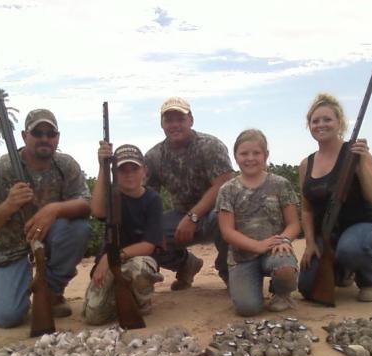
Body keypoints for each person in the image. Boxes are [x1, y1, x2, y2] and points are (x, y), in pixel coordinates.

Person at [0, 108, 91, 328]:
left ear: (57, 137)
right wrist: (8, 206)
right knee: (8, 318)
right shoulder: (2, 169)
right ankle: (28, 292)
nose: (44, 138)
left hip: (48, 241)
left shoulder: (65, 165)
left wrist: (53, 209)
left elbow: (86, 205)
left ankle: (51, 292)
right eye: (37, 133)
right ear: (24, 136)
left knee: (79, 229)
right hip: (10, 251)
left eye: (50, 133)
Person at [298, 93, 372, 303]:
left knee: (351, 248)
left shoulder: (356, 153)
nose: (321, 125)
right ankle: (343, 271)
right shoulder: (305, 164)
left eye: (327, 119)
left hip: (366, 226)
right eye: (315, 121)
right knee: (306, 287)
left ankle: (370, 280)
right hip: (329, 234)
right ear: (309, 126)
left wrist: (362, 162)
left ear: (339, 123)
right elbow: (307, 209)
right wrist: (310, 243)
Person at [145, 96, 234, 290]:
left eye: (180, 119)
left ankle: (231, 274)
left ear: (191, 120)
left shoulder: (210, 145)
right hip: (179, 217)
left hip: (214, 213)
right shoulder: (153, 156)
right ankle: (186, 264)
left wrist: (192, 217)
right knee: (144, 233)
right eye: (169, 120)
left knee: (227, 217)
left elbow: (223, 185)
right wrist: (152, 227)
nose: (174, 125)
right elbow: (146, 199)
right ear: (161, 124)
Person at [216, 129, 301, 315]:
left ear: (266, 155)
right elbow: (227, 232)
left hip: (275, 250)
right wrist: (257, 246)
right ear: (235, 156)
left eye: (256, 153)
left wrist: (285, 240)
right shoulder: (227, 190)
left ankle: (282, 293)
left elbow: (294, 224)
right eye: (244, 153)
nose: (250, 158)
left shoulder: (281, 184)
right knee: (248, 308)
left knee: (285, 267)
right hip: (242, 257)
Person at [83, 144, 164, 325]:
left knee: (140, 269)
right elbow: (97, 210)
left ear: (144, 171)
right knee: (94, 317)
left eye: (134, 169)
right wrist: (102, 167)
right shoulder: (111, 196)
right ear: (114, 173)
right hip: (111, 263)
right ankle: (119, 300)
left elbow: (149, 245)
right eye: (122, 170)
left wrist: (112, 257)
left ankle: (141, 301)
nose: (129, 174)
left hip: (138, 259)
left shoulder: (153, 199)